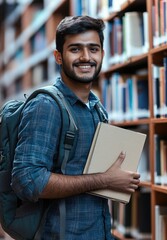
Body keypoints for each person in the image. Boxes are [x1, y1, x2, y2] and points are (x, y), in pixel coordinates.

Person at [11, 15, 140, 240]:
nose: (86, 57)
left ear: (102, 54)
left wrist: (119, 177)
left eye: (93, 49)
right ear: (58, 57)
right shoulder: (46, 105)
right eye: (75, 49)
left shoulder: (96, 107)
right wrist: (105, 180)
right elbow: (27, 180)